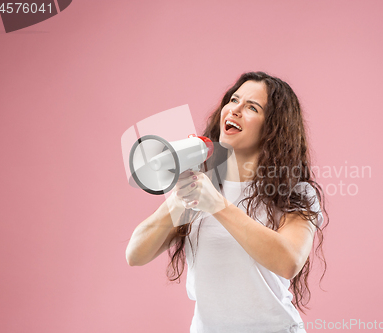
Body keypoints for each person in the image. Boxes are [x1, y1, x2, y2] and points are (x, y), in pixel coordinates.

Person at [126, 72, 328, 333]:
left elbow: (288, 261)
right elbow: (135, 254)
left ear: (273, 127)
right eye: (233, 100)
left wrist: (217, 205)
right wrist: (178, 202)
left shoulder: (295, 194)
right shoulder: (202, 185)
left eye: (252, 107)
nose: (235, 110)